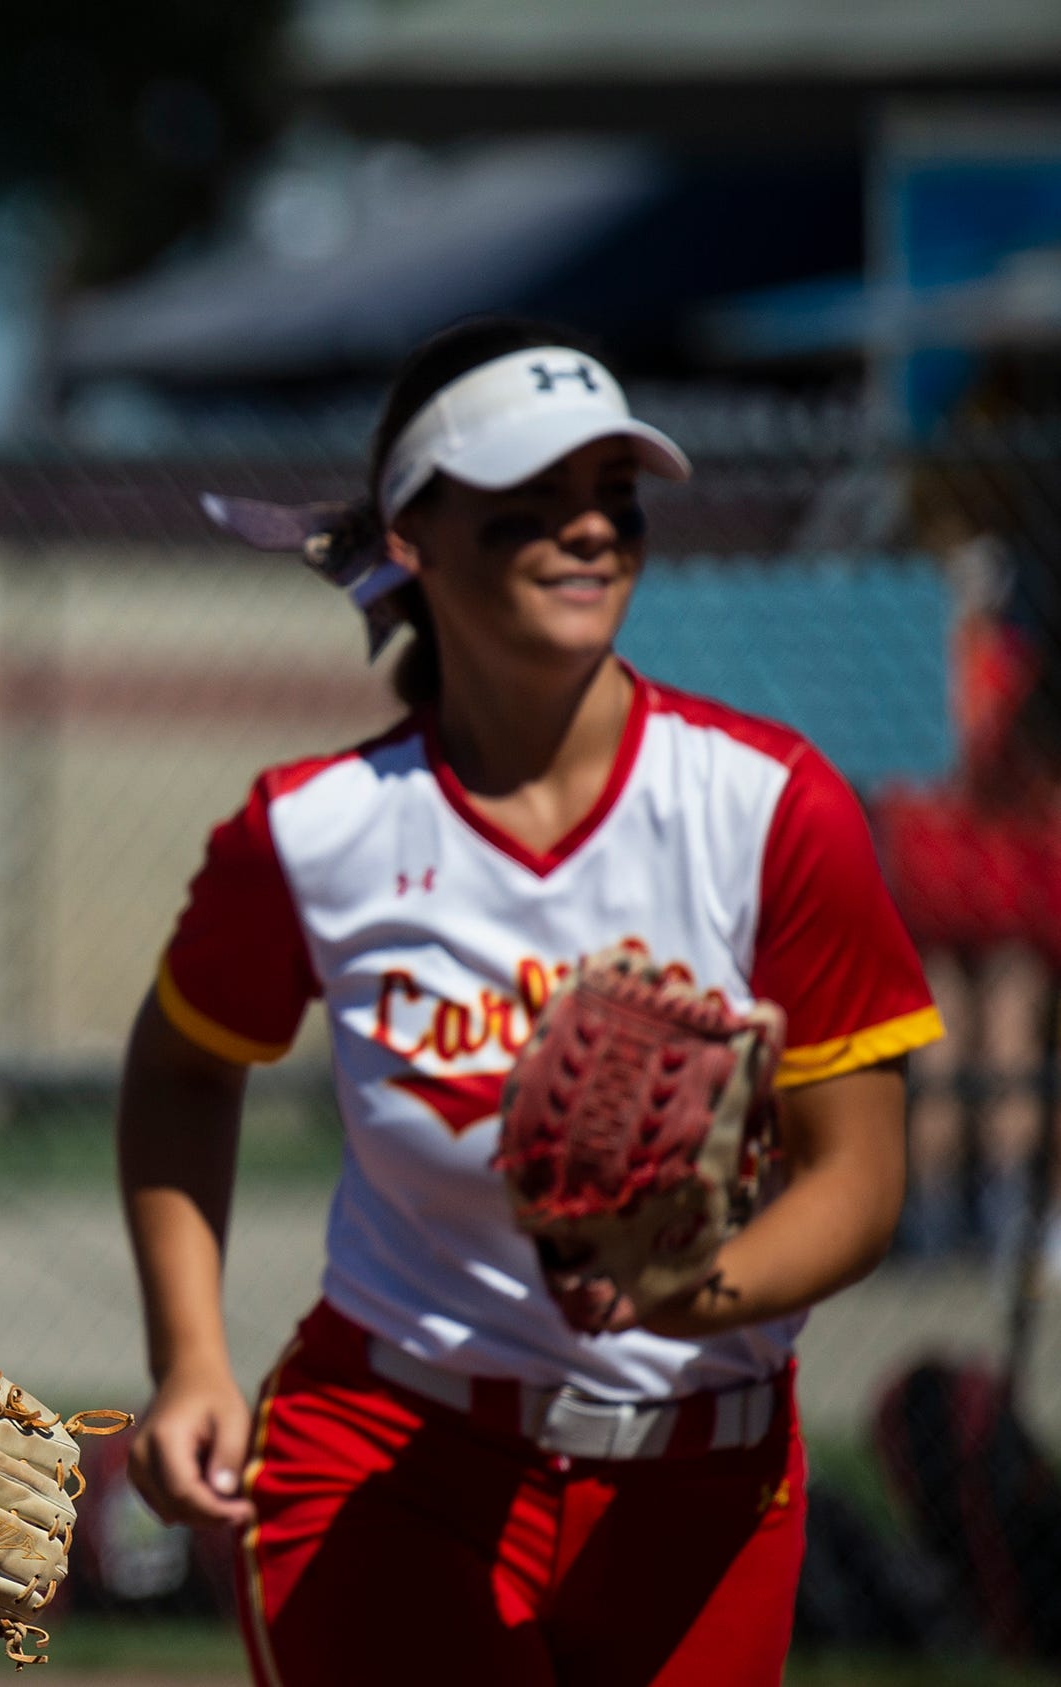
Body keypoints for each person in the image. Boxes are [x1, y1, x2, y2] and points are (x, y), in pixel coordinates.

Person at [119, 317, 940, 1686]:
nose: (590, 534)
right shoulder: (315, 831)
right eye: (531, 503)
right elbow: (182, 1069)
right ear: (412, 542)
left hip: (700, 1477)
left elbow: (861, 1177)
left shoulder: (770, 810)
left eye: (610, 499)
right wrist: (191, 1359)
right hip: (391, 1459)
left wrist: (699, 1287)